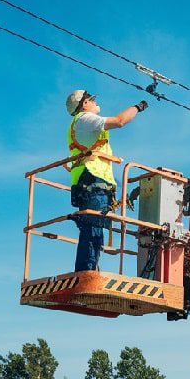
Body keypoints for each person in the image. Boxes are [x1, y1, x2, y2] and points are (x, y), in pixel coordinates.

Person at [65, 89, 149, 272]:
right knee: (93, 230)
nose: (95, 102)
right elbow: (119, 121)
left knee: (93, 231)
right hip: (92, 183)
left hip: (90, 182)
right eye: (91, 99)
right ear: (84, 104)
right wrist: (138, 107)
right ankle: (86, 272)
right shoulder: (85, 119)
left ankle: (88, 270)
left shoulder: (80, 124)